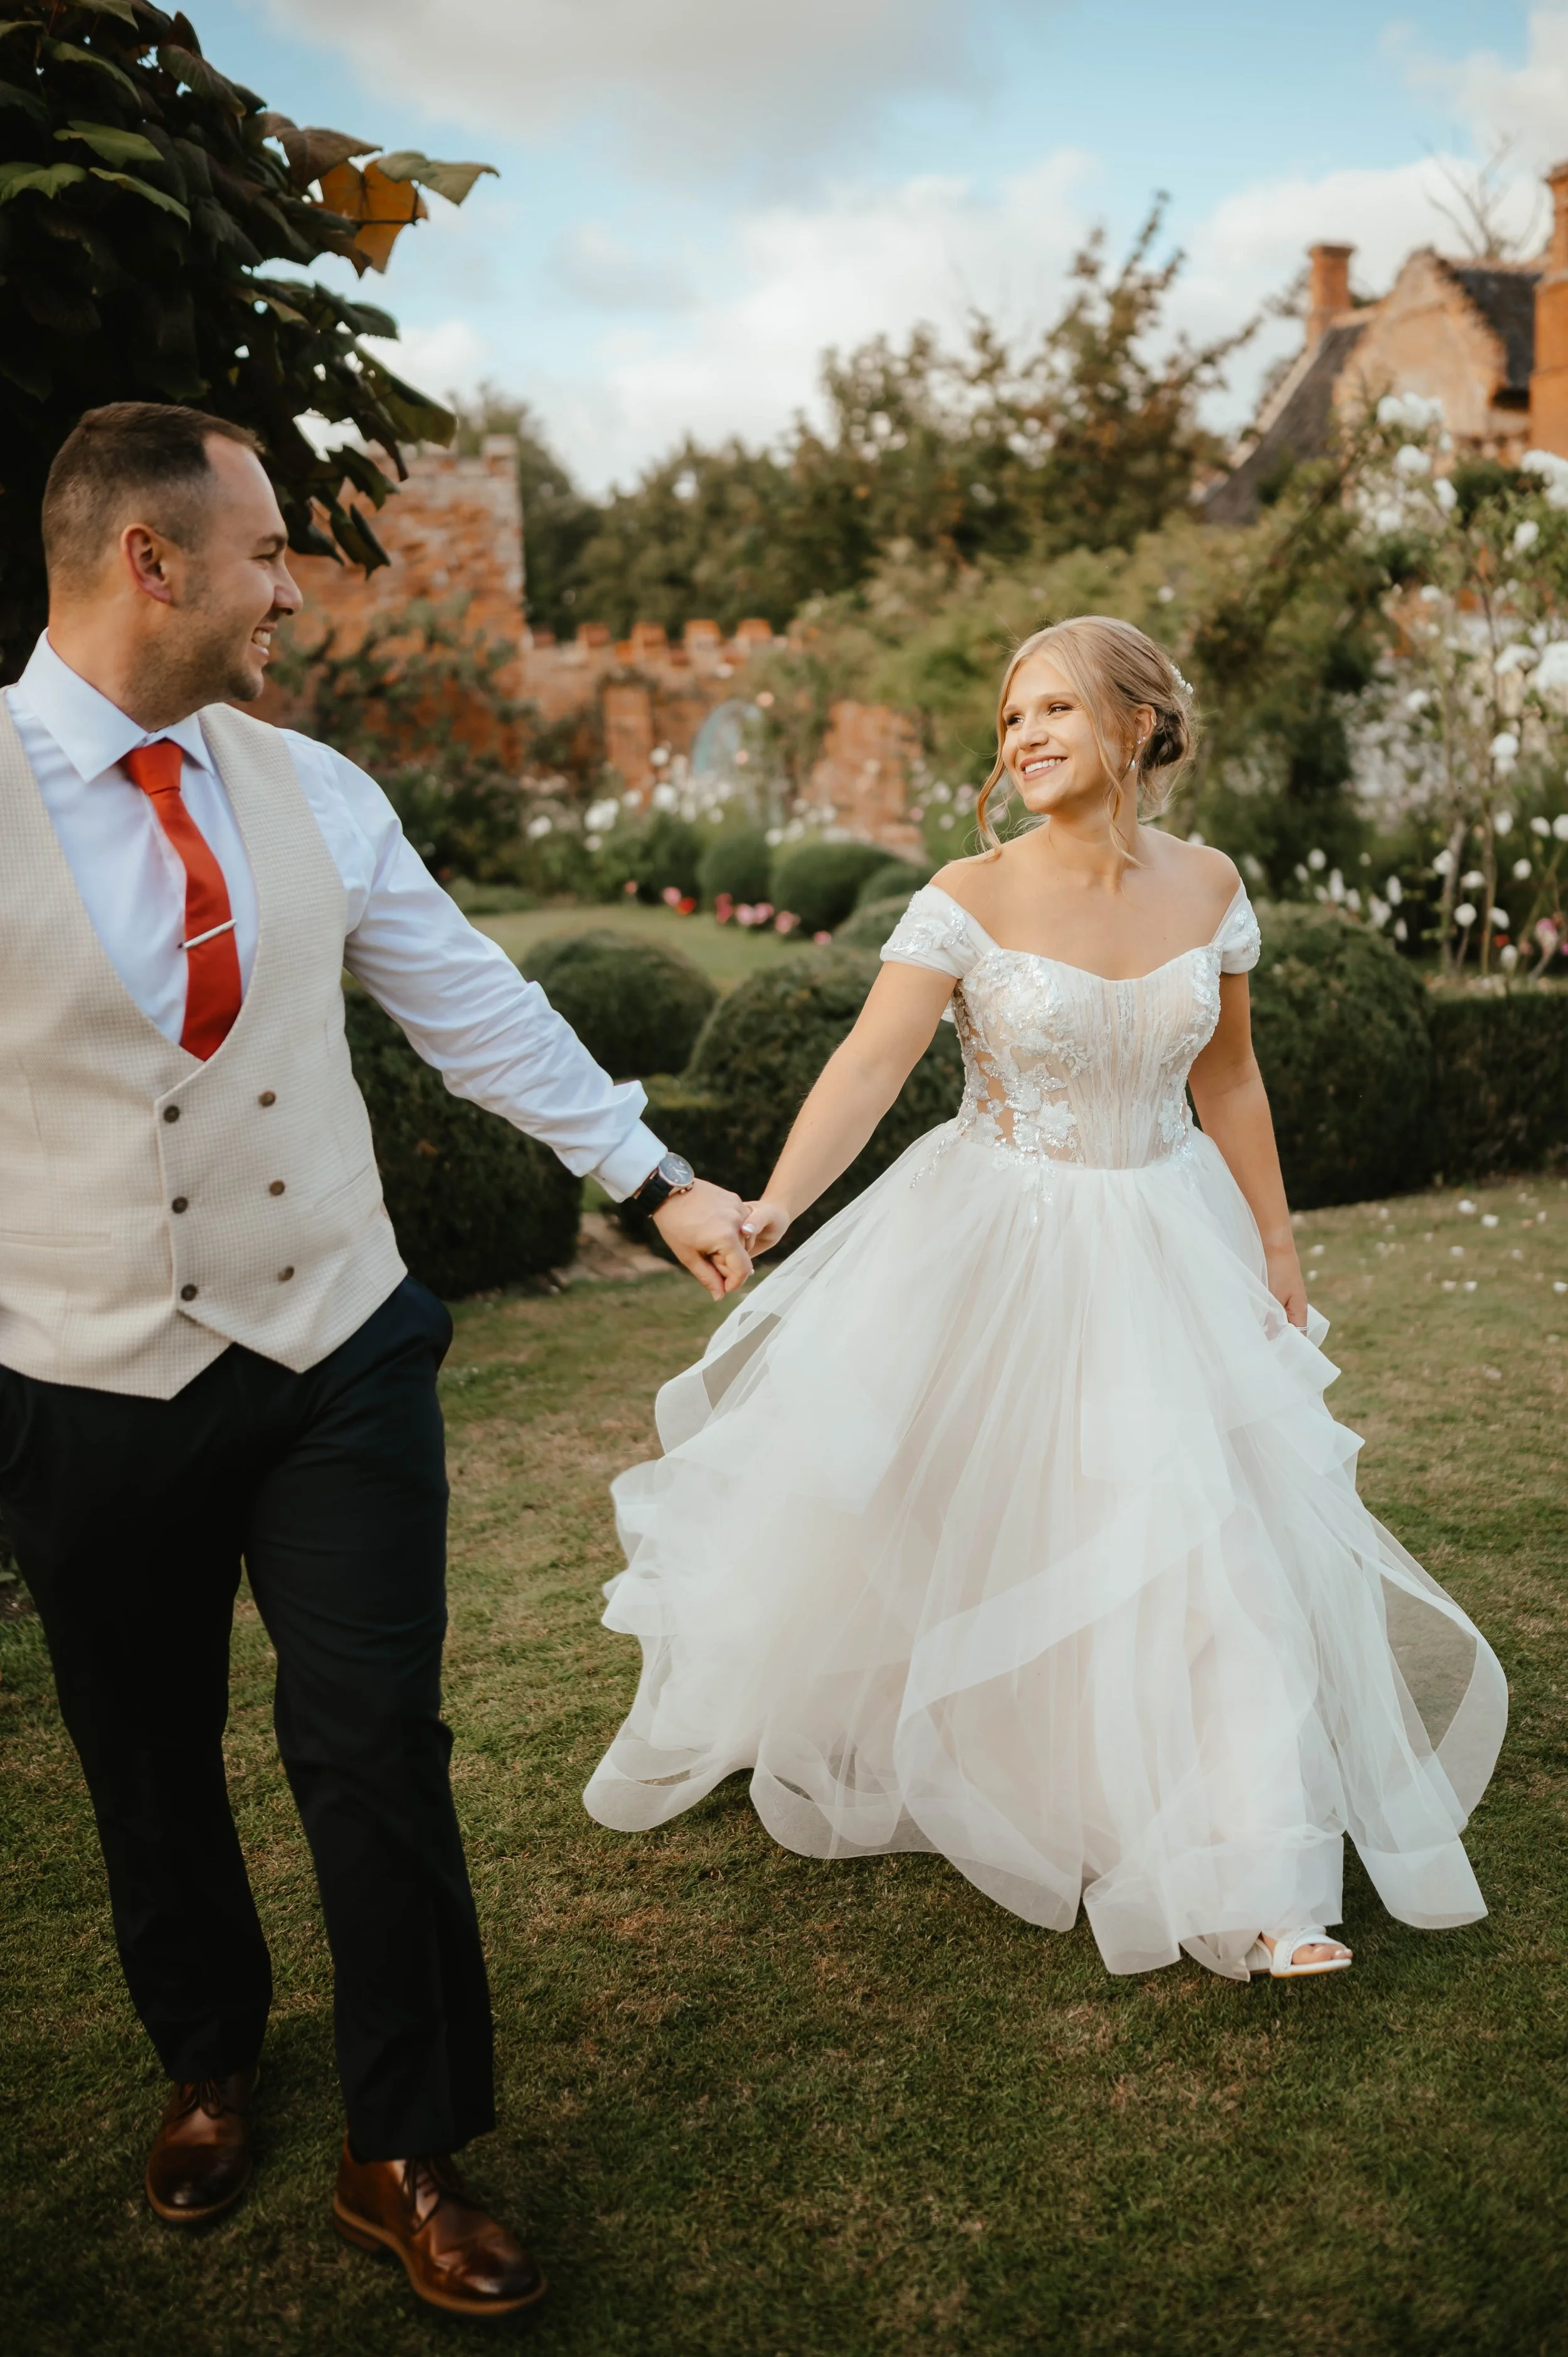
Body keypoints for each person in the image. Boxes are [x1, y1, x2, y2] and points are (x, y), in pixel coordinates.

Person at [0, 402, 750, 2319]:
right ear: (146, 561)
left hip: (338, 1343)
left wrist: (644, 1171)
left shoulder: (317, 791)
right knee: (143, 1751)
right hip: (83, 1373)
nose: (293, 593)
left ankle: (404, 2145)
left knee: (372, 1745)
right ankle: (208, 2056)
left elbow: (468, 1001)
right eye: (265, 553)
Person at [585, 615, 1507, 1984]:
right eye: (1011, 718)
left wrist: (1275, 1246)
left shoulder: (1207, 886)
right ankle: (960, 1734)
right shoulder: (967, 893)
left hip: (1164, 1237)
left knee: (1206, 1539)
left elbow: (1231, 1080)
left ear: (1137, 726)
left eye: (1053, 711)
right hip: (991, 1234)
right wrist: (778, 1199)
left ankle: (1257, 1877)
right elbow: (868, 1064)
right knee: (946, 1512)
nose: (1021, 739)